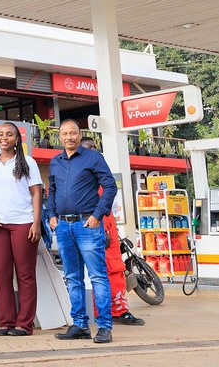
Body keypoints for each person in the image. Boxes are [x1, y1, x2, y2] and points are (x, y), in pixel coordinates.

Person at [47, 119, 117, 344]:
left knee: (97, 276)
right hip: (64, 227)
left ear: (79, 134)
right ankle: (79, 325)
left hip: (88, 224)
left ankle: (104, 326)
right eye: (65, 133)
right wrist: (52, 216)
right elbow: (52, 191)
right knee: (73, 277)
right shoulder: (55, 162)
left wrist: (98, 215)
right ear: (60, 136)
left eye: (73, 133)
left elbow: (110, 186)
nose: (69, 137)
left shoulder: (93, 157)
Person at [0, 122, 41, 336]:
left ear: (17, 139)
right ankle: (6, 321)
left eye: (9, 134)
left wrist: (36, 223)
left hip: (23, 224)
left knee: (25, 274)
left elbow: (36, 193)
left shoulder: (28, 163)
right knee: (1, 273)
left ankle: (24, 323)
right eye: (1, 134)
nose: (4, 137)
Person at [80, 138, 145, 326]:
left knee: (115, 270)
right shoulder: (81, 176)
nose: (93, 150)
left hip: (110, 231)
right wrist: (100, 230)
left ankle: (119, 310)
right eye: (88, 147)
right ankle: (101, 312)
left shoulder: (101, 173)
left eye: (94, 147)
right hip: (95, 229)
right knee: (97, 273)